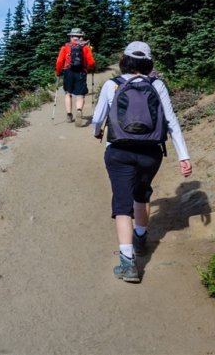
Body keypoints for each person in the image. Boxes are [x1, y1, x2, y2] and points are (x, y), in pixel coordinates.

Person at [91, 41, 192, 283]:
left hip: (118, 151)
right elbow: (171, 121)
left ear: (124, 60)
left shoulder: (112, 85)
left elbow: (97, 119)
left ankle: (128, 264)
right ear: (148, 63)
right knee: (142, 193)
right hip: (151, 153)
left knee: (122, 202)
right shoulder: (157, 84)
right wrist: (184, 156)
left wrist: (97, 131)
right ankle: (140, 237)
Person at [55, 28, 95, 125]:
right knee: (80, 94)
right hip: (81, 72)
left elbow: (59, 61)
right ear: (81, 36)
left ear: (71, 36)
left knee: (68, 93)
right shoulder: (85, 47)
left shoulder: (65, 47)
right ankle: (79, 111)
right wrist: (92, 68)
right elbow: (91, 62)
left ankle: (69, 115)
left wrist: (58, 72)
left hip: (68, 72)